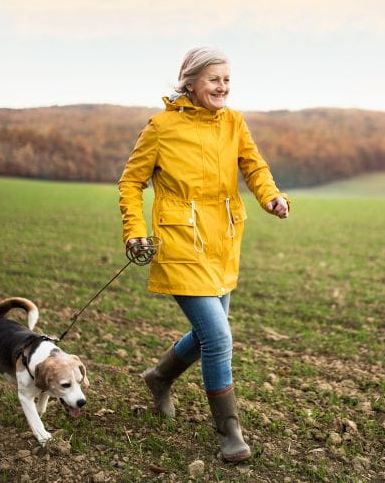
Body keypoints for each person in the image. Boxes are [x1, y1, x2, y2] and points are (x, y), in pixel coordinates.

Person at [118, 46, 289, 462]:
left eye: (227, 79)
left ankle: (159, 378)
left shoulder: (234, 122)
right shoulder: (160, 127)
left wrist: (270, 196)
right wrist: (135, 230)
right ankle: (229, 431)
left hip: (223, 241)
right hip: (178, 242)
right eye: (214, 79)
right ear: (190, 81)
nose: (223, 87)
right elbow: (130, 182)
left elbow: (254, 166)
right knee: (217, 337)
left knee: (208, 334)